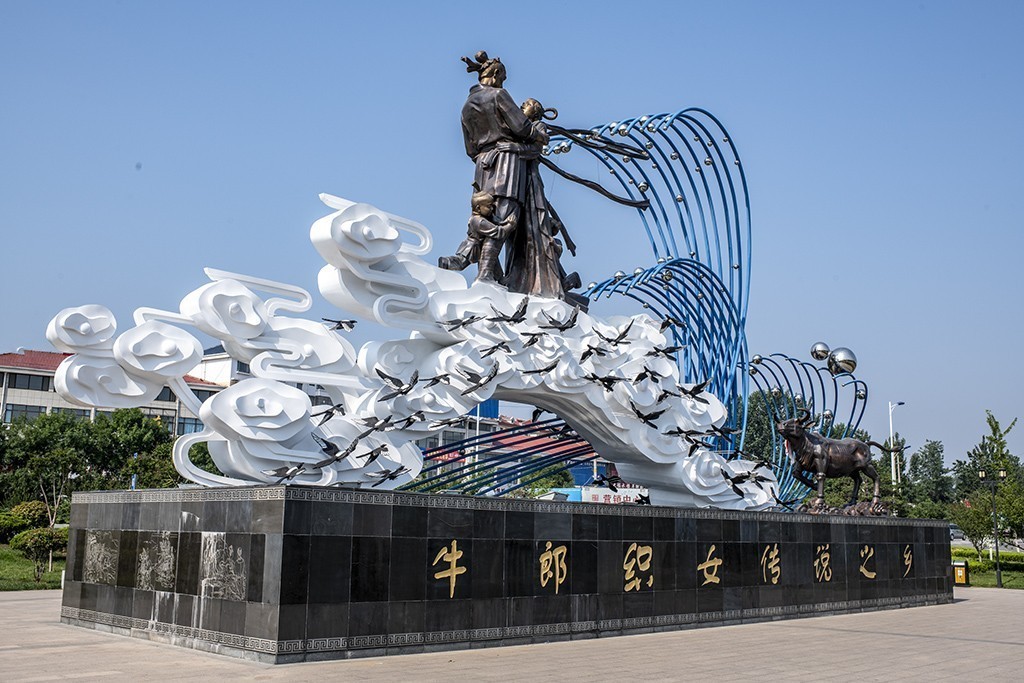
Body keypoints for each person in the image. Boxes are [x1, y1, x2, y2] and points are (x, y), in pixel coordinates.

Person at [458, 52, 567, 300]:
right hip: (507, 165)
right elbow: (522, 128)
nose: (504, 84)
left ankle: (468, 260)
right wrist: (538, 136)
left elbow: (469, 148)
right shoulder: (498, 96)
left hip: (482, 166)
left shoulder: (466, 106)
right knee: (504, 218)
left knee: (482, 214)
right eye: (504, 78)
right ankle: (485, 274)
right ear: (496, 75)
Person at [438, 190, 514, 283]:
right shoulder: (479, 221)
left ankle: (500, 279)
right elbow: (498, 232)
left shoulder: (481, 218)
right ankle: (446, 262)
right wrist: (510, 225)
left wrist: (504, 221)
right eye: (488, 206)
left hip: (480, 247)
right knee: (461, 263)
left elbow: (496, 220)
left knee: (494, 264)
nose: (491, 209)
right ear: (478, 208)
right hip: (472, 247)